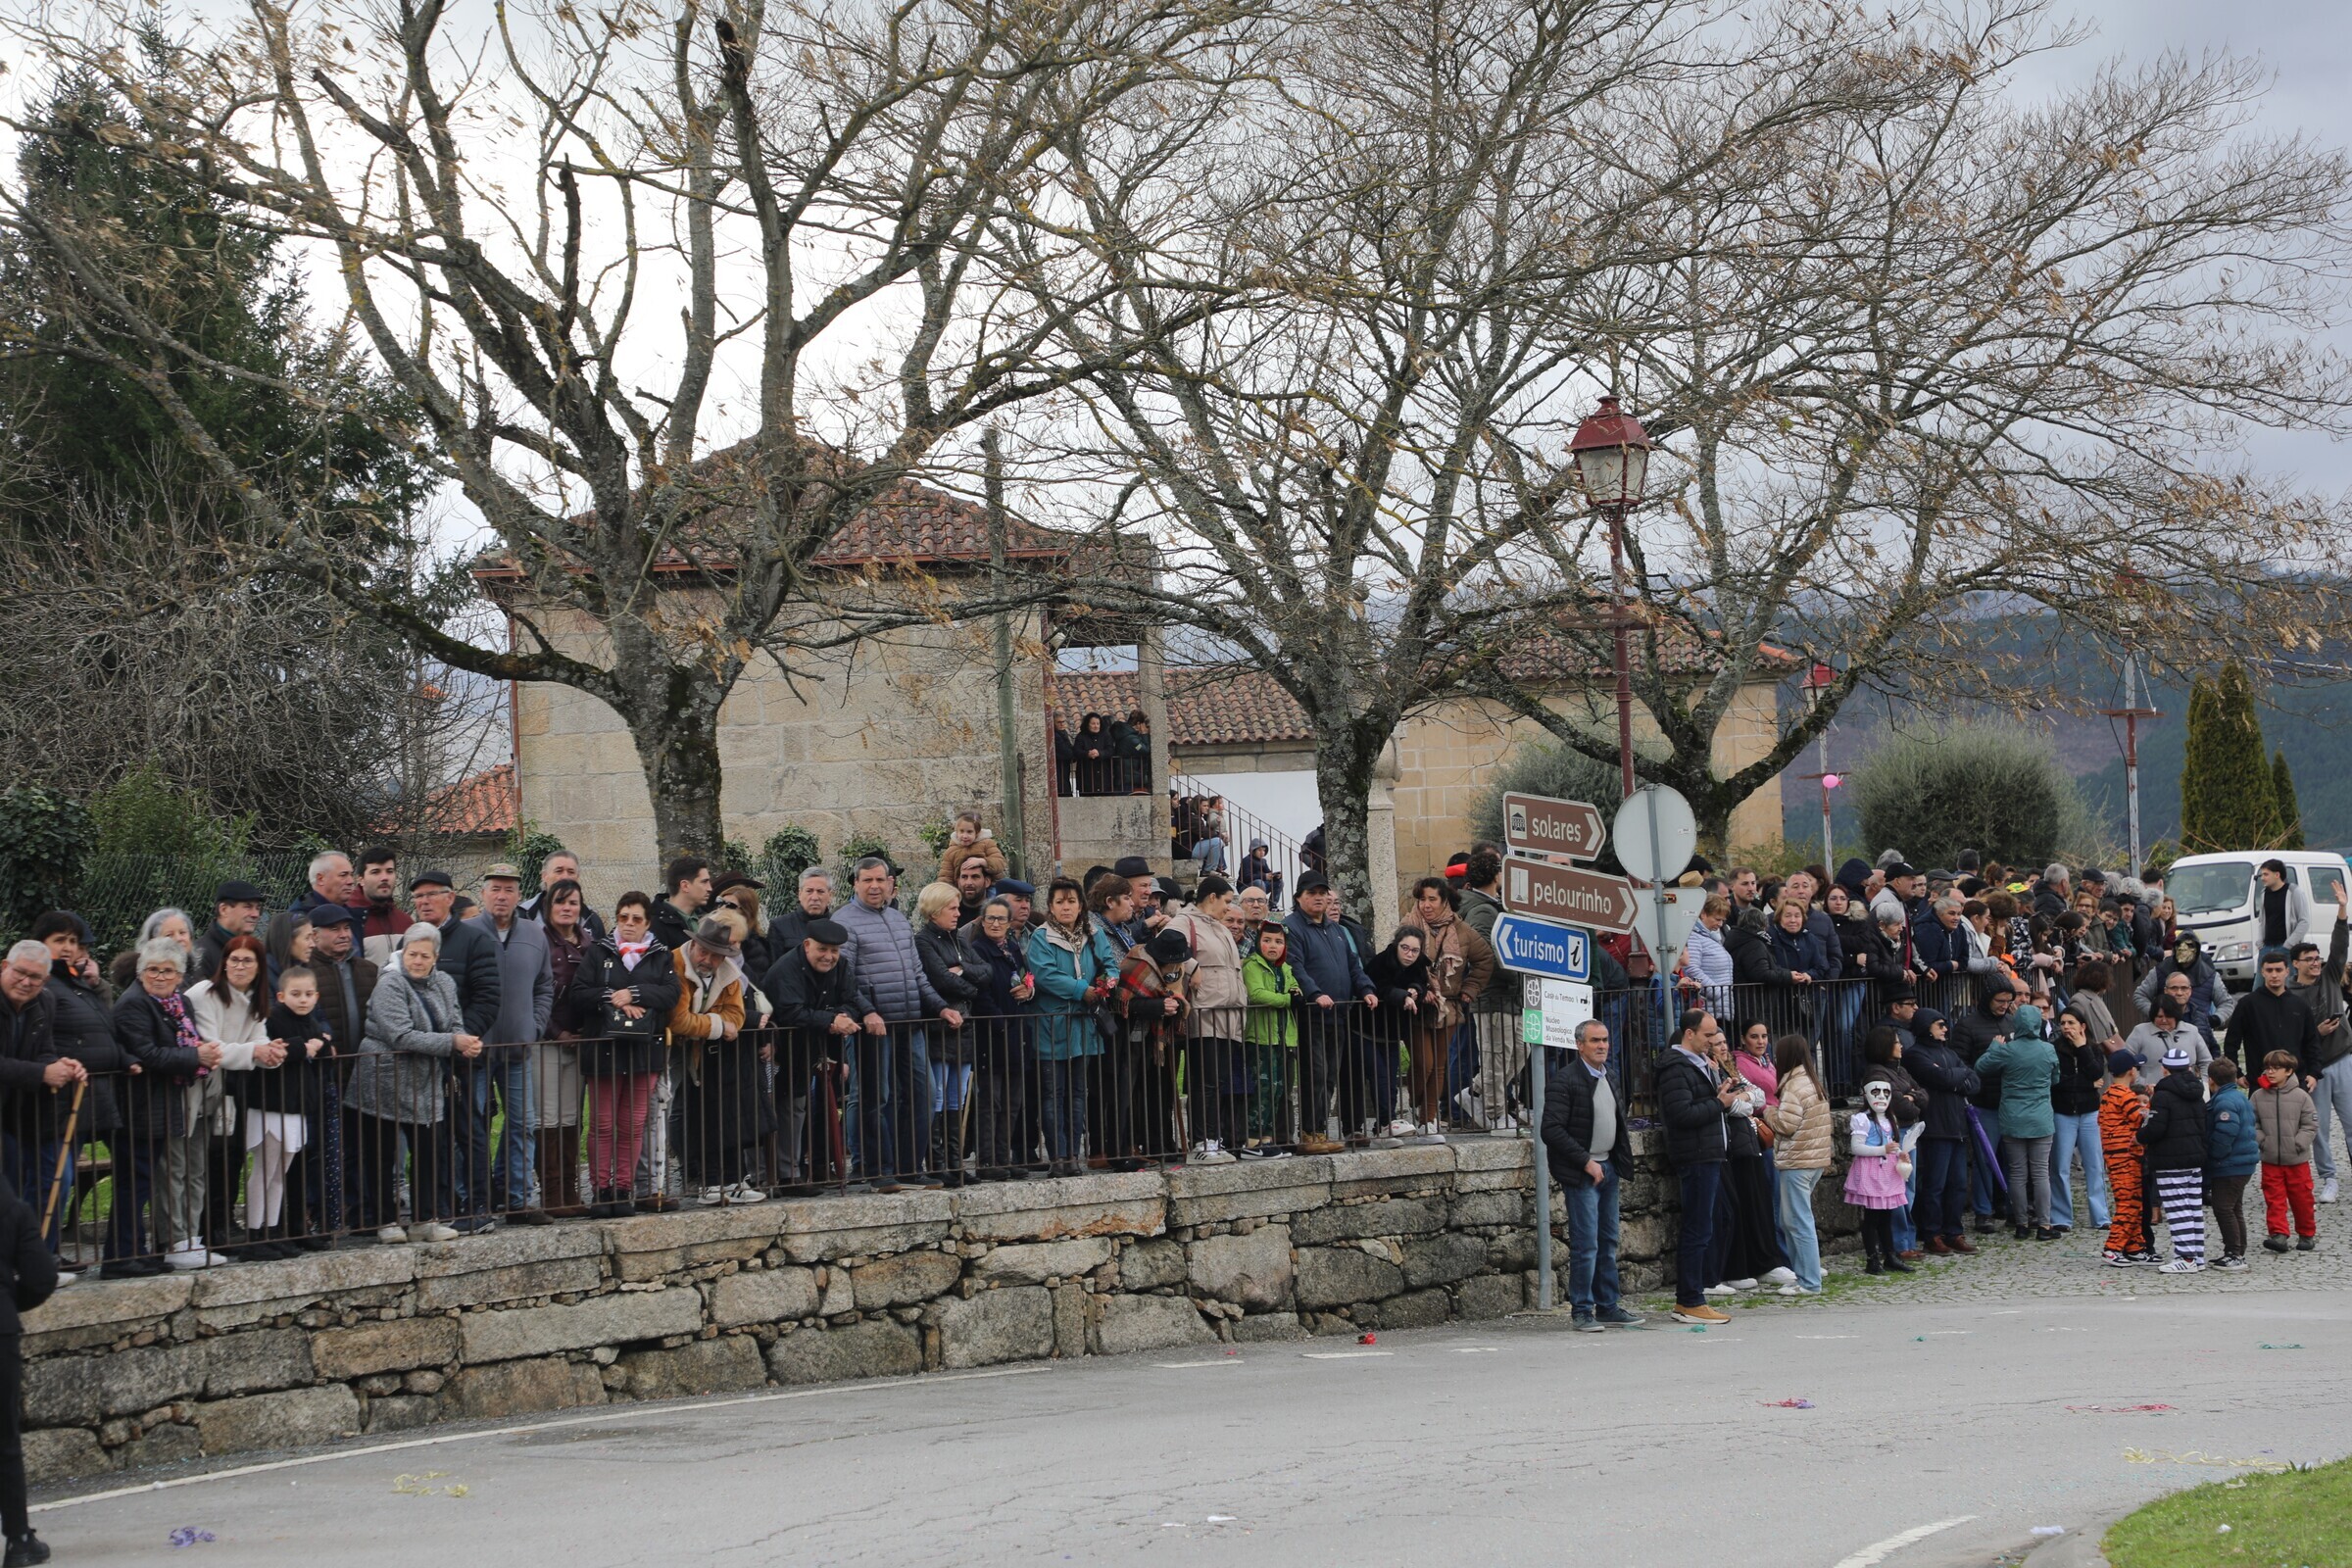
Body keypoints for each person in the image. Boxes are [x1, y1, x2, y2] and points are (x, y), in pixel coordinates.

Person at [352, 925, 475, 1243]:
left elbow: (455, 1021)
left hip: (426, 1078)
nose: (417, 961)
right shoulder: (389, 983)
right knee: (382, 1154)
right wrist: (452, 1043)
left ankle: (425, 1219)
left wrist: (465, 1041)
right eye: (412, 954)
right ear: (402, 953)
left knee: (430, 1150)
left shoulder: (445, 982)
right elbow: (400, 1035)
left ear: (436, 957)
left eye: (424, 956)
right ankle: (386, 1222)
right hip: (384, 1077)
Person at [839, 857, 954, 1187]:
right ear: (855, 884)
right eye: (867, 880)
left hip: (910, 1023)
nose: (875, 886)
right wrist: (867, 1012)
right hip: (873, 1028)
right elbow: (844, 979)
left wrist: (940, 1007)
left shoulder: (899, 920)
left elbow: (917, 975)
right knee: (877, 1098)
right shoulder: (844, 921)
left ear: (890, 883)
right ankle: (878, 1170)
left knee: (923, 1094)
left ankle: (910, 1168)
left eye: (880, 880)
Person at [568, 893, 680, 1217]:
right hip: (605, 1047)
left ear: (647, 923)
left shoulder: (660, 955)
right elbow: (579, 993)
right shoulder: (599, 951)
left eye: (636, 919)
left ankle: (622, 1189)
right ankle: (601, 1190)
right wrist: (613, 998)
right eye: (623, 918)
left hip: (644, 1050)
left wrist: (635, 993)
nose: (629, 924)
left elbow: (671, 993)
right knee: (603, 1123)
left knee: (632, 1124)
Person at [111, 941, 220, 1269]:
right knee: (136, 1182)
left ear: (180, 976)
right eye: (153, 970)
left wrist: (199, 1054)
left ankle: (135, 1253)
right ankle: (123, 1256)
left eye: (168, 971)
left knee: (142, 1181)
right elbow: (148, 1053)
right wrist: (195, 1056)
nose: (160, 976)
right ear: (141, 972)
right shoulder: (134, 1003)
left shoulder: (178, 1002)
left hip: (165, 1102)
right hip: (139, 1105)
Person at [465, 864, 553, 1225]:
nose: (502, 896)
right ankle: (473, 1200)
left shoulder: (534, 934)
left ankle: (518, 1200)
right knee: (473, 1127)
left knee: (523, 1124)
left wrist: (534, 1026)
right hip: (476, 1050)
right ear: (483, 893)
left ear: (519, 896)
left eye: (509, 890)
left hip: (519, 1048)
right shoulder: (467, 933)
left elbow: (544, 985)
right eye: (495, 889)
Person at [1542, 1018, 1642, 1330]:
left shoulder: (1610, 1075)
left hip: (1608, 1168)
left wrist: (1616, 1162)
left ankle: (1608, 1306)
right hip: (1583, 1172)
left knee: (1608, 1241)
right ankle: (1582, 1310)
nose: (1602, 1046)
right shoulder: (1565, 1080)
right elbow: (1551, 1130)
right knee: (1586, 1245)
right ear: (1579, 1045)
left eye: (1605, 1040)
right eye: (1595, 1040)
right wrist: (1586, 1162)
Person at [182, 936, 275, 1265]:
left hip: (233, 1085)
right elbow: (212, 1046)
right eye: (233, 960)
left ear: (259, 967)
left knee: (232, 1155)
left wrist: (272, 1054)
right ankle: (202, 1230)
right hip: (201, 1085)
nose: (239, 966)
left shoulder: (255, 998)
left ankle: (223, 1223)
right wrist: (256, 1052)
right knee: (205, 1159)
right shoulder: (203, 993)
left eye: (247, 961)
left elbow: (259, 1039)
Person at [1026, 877, 1116, 1177]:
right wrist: (1081, 990)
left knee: (1078, 1092)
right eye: (1060, 902)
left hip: (1083, 1025)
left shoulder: (1094, 934)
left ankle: (1073, 1157)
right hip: (1052, 1024)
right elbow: (1045, 975)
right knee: (1053, 1094)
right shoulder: (1042, 937)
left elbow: (1109, 964)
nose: (1066, 907)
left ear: (1081, 906)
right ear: (1051, 906)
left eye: (1071, 901)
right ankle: (1058, 1157)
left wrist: (1106, 983)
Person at [243, 963, 336, 1252]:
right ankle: (255, 1234)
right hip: (272, 1105)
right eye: (296, 994)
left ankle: (272, 1231)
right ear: (281, 996)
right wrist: (305, 1048)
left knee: (280, 1173)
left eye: (308, 994)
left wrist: (321, 1045)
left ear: (316, 996)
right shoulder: (273, 1019)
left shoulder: (312, 1022)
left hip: (296, 1106)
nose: (303, 1000)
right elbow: (275, 1049)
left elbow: (321, 1049)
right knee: (265, 1170)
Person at [668, 916, 760, 1205]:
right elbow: (678, 1020)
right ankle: (703, 1183)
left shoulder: (729, 972)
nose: (707, 960)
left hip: (710, 1056)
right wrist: (717, 1025)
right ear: (694, 945)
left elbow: (737, 1015)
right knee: (687, 1117)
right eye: (703, 952)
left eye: (715, 955)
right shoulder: (675, 963)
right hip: (672, 1055)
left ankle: (730, 1181)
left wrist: (707, 1024)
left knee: (723, 1116)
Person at [1656, 1009, 1737, 1325]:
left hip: (1709, 1152)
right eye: (1707, 1035)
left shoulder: (1700, 1063)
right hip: (1696, 1155)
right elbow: (1681, 1114)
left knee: (1705, 1227)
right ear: (1689, 1034)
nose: (1713, 1041)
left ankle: (1691, 1297)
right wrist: (1718, 1103)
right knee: (1697, 1229)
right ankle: (1690, 1299)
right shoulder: (1676, 1068)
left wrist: (1720, 1096)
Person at [1286, 876, 1377, 1152]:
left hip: (1338, 1014)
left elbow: (1353, 965)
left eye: (1322, 893)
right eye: (1311, 893)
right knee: (1314, 1074)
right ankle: (1309, 1133)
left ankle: (1320, 1131)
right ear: (1299, 897)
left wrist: (1366, 989)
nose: (1318, 898)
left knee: (1328, 1077)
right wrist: (1314, 994)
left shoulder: (1335, 929)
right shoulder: (1292, 927)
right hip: (1312, 1014)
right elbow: (1296, 967)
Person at [1401, 877, 1495, 1143]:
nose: (1426, 905)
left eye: (1432, 899)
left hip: (1449, 1007)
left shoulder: (1461, 929)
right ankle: (1417, 1103)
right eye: (1422, 899)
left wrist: (1470, 989)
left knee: (1439, 1066)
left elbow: (1485, 959)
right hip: (1418, 1006)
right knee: (1424, 1064)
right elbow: (1398, 961)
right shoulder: (1409, 925)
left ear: (1444, 901)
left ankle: (1428, 1120)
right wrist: (1417, 988)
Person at [1164, 878, 1251, 1160]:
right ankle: (1202, 1141)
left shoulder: (1219, 927)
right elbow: (1163, 945)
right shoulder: (1184, 921)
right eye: (1226, 901)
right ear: (1211, 897)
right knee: (1206, 1081)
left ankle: (1214, 1139)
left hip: (1228, 1013)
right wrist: (1192, 966)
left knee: (1219, 1080)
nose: (1228, 907)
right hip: (1204, 1011)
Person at [300, 904, 373, 1237]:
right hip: (324, 1076)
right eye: (335, 929)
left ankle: (361, 1213)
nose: (344, 934)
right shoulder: (305, 973)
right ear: (315, 936)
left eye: (347, 928)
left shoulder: (368, 970)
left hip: (364, 1073)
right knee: (321, 1149)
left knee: (361, 1147)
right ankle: (321, 1215)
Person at [0, 1183, 61, 1567]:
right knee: (4, 1439)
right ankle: (19, 1539)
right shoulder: (13, 1207)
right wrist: (8, 1300)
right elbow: (41, 1278)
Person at [913, 881, 987, 1186]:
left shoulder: (959, 939)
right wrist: (971, 986)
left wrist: (964, 972)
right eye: (952, 908)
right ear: (934, 911)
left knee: (958, 1096)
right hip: (939, 1026)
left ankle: (956, 1164)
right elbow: (940, 979)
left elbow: (985, 972)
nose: (958, 913)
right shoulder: (923, 941)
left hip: (964, 1025)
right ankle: (937, 1163)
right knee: (939, 1095)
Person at [1975, 1003, 2061, 1239]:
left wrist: (1994, 1046)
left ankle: (2021, 1224)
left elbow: (1981, 1067)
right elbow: (2055, 1079)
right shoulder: (2048, 1049)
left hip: (2012, 1117)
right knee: (2041, 1173)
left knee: (2017, 1173)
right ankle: (2044, 1225)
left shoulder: (2008, 1050)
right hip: (2041, 1117)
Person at [532, 881, 592, 1216]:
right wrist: (557, 1033)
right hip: (548, 1041)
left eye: (573, 902)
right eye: (560, 902)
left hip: (580, 1042)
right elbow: (534, 994)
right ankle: (551, 1193)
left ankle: (570, 1189)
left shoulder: (589, 942)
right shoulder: (539, 941)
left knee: (571, 1117)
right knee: (548, 1118)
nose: (567, 908)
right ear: (549, 906)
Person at [962, 903, 1035, 1178]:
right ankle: (987, 1160)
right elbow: (980, 992)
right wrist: (999, 1022)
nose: (995, 923)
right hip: (991, 1035)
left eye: (1001, 919)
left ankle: (1003, 1158)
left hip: (1016, 1033)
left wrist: (1028, 991)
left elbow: (1027, 977)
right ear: (982, 921)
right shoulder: (978, 949)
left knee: (1012, 1101)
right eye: (991, 918)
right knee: (990, 1102)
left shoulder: (1013, 948)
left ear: (1008, 922)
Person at [1902, 1010, 1982, 1255]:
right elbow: (1940, 1077)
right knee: (1934, 1185)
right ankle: (1931, 1234)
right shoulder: (1915, 1054)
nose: (1945, 1029)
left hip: (1957, 1127)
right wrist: (1957, 1077)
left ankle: (1953, 1232)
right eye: (1940, 1025)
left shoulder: (1950, 1053)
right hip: (1935, 1128)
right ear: (1926, 1027)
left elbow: (1974, 1081)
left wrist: (1954, 1077)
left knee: (1958, 1185)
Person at [2285, 922, 2352, 1205]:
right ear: (2296, 964)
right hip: (2315, 1069)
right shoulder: (2289, 995)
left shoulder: (2330, 976)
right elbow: (2290, 1037)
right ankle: (2329, 1179)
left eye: (2317, 958)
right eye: (2309, 959)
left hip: (2344, 1058)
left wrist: (2341, 914)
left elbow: (2340, 947)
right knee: (2319, 1128)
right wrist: (2318, 1031)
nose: (2315, 963)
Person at [1764, 1033, 1832, 1295]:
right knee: (1792, 1221)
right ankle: (1803, 1275)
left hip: (1797, 1162)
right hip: (1811, 1160)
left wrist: (1768, 1110)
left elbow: (1786, 1125)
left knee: (1798, 1223)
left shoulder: (1794, 1085)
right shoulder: (1811, 1080)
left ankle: (1809, 1282)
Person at [2139, 1041, 2210, 1273]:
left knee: (2178, 1209)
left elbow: (2156, 1128)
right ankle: (2197, 1256)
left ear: (2165, 1069)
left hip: (2170, 1160)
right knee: (2193, 1208)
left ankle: (2186, 1257)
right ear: (2188, 1068)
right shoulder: (2197, 1092)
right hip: (2195, 1158)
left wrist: (2140, 1136)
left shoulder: (2163, 1095)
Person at [1859, 1023, 1928, 1259]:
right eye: (1896, 1042)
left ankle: (1906, 1240)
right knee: (1898, 1189)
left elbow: (1923, 1096)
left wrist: (1913, 1096)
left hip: (1909, 1133)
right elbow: (1900, 1106)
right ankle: (1899, 1243)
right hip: (1894, 1135)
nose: (1901, 1046)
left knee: (1909, 1188)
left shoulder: (1901, 1071)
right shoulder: (1877, 1075)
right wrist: (1912, 1099)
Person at [1358, 929, 1428, 1149]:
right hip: (1367, 1028)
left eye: (1415, 950)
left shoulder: (1419, 965)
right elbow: (1380, 987)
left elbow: (1422, 983)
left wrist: (1415, 990)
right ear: (1396, 945)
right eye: (1405, 948)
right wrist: (1403, 996)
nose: (1409, 954)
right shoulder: (1381, 962)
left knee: (1390, 1079)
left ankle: (1385, 1125)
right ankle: (1384, 1123)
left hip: (1393, 1032)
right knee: (1379, 1076)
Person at [2047, 1007, 2111, 1238]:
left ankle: (2101, 1216)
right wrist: (2085, 1084)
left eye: (2071, 1023)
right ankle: (2061, 1217)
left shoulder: (2092, 1048)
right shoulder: (2054, 1049)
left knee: (2095, 1165)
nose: (2066, 1027)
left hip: (2089, 1113)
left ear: (2082, 1026)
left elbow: (2096, 1073)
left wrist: (2082, 1048)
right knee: (2060, 1166)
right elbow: (2057, 1082)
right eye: (2063, 1023)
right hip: (2063, 1112)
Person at [1242, 922, 1302, 1152]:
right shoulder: (1252, 965)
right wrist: (1287, 999)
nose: (1273, 946)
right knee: (1262, 1087)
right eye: (1267, 941)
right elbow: (1257, 994)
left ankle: (1267, 1137)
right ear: (1259, 943)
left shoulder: (1284, 968)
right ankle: (1252, 1138)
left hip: (1283, 1036)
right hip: (1260, 1037)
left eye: (1278, 942)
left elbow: (1295, 989)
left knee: (1278, 1089)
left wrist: (1294, 995)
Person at [1843, 1079, 1912, 1275]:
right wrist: (1882, 1149)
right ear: (1866, 1095)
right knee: (1872, 1217)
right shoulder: (1863, 1119)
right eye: (1876, 1092)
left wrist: (1900, 1154)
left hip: (1887, 1172)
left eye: (1885, 1093)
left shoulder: (1890, 1119)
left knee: (1887, 1215)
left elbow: (1891, 1145)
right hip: (1871, 1172)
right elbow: (1856, 1147)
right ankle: (1872, 1258)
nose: (1881, 1097)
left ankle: (1890, 1255)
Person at [2252, 1050, 2319, 1251]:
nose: (2270, 1072)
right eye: (2268, 1068)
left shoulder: (2301, 1096)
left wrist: (2299, 1143)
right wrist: (2263, 1141)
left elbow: (2310, 1124)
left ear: (2289, 1071)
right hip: (2270, 1159)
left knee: (2302, 1199)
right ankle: (2278, 1234)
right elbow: (2251, 1123)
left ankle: (2306, 1233)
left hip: (2297, 1160)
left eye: (2276, 1068)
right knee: (2274, 1199)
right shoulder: (2258, 1096)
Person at [2099, 1048, 2157, 1267]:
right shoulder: (2124, 1096)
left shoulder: (2109, 1094)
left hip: (2118, 1156)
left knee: (2135, 1202)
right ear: (2131, 1071)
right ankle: (2113, 1248)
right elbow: (2142, 1119)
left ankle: (2134, 1247)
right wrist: (2152, 1101)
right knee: (2128, 1203)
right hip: (2124, 1156)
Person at [2223, 950, 2318, 1079]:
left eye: (2278, 970)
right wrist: (2237, 1074)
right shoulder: (2247, 1004)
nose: (2274, 975)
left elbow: (2312, 1042)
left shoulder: (2300, 1005)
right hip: (2260, 1079)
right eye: (2269, 970)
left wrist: (2313, 1074)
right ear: (2262, 972)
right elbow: (2231, 1042)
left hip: (2296, 1079)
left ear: (2287, 971)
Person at [2202, 1057, 2257, 1270]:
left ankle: (2234, 1254)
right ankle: (2238, 1250)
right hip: (2241, 1162)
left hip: (2230, 1164)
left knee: (2223, 1208)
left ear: (2211, 1080)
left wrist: (2214, 1156)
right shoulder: (2238, 1096)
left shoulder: (2224, 1101)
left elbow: (2226, 1133)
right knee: (2234, 1208)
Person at [194, 878, 267, 979]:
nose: (256, 914)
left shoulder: (257, 951)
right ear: (224, 910)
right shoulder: (200, 955)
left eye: (258, 908)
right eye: (248, 907)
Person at [354, 845, 413, 965]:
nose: (384, 878)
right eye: (376, 872)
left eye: (389, 871)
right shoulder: (349, 920)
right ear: (360, 879)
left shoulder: (406, 922)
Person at [653, 857, 712, 955]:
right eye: (704, 882)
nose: (710, 888)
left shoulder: (709, 918)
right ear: (685, 886)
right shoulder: (654, 923)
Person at [2256, 858, 2310, 955]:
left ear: (2277, 875)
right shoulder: (2264, 893)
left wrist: (2289, 944)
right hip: (2266, 948)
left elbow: (2304, 921)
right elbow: (2261, 921)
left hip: (2287, 948)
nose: (2262, 878)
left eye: (2266, 874)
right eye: (2261, 875)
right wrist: (2260, 944)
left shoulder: (2294, 891)